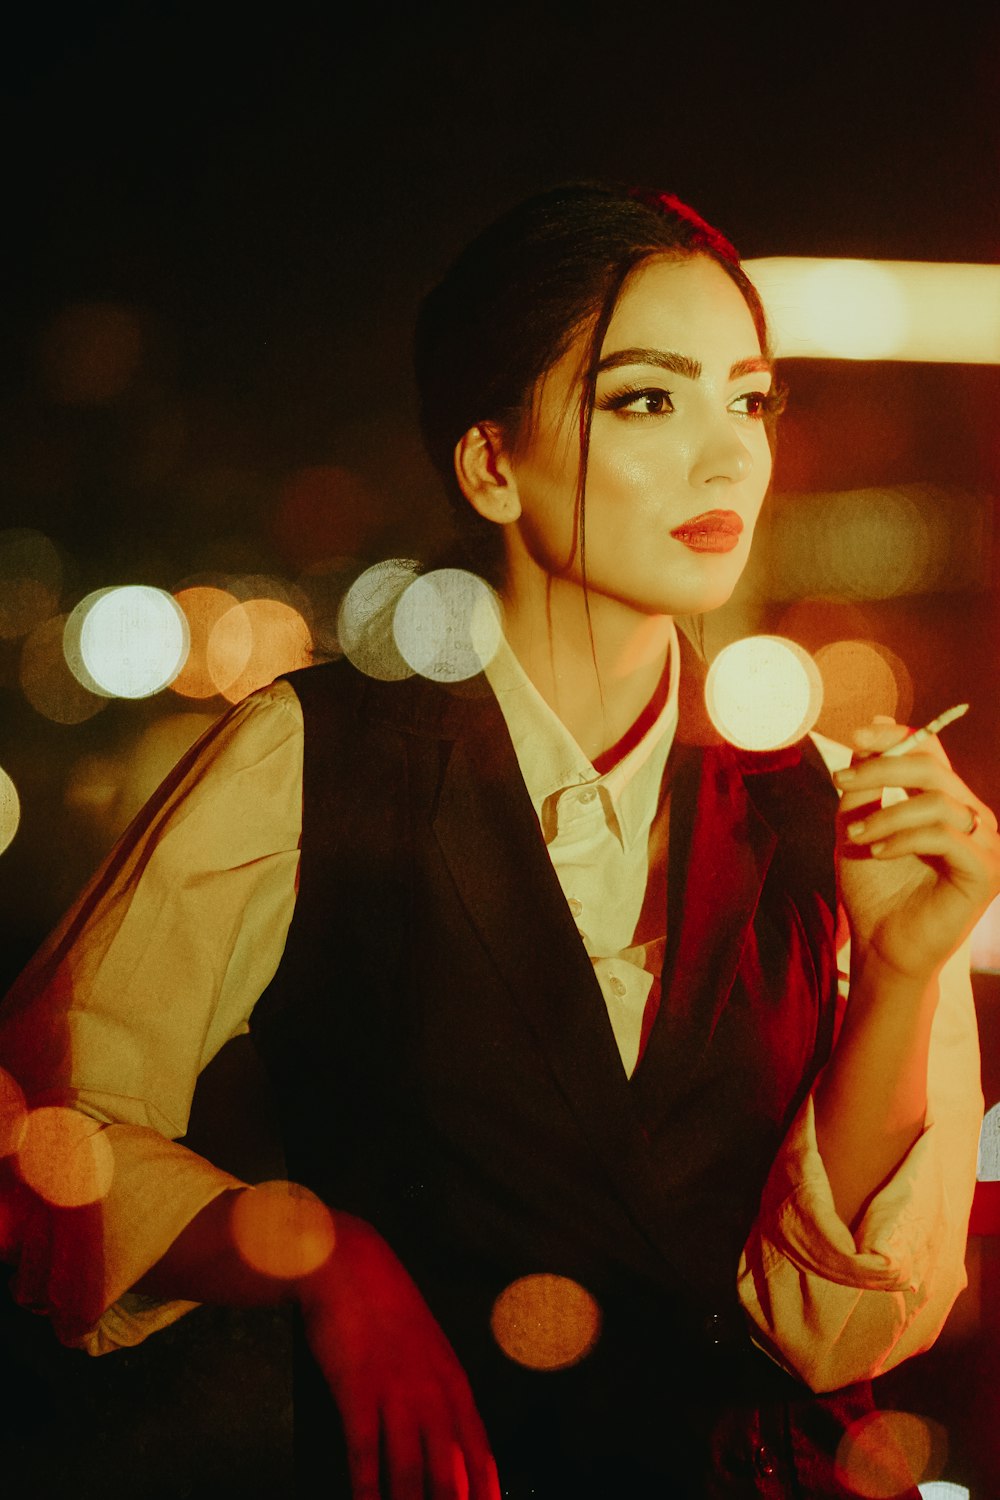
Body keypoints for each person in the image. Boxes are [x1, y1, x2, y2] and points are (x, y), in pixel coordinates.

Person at [1, 182, 997, 1499]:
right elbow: (52, 1130)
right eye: (649, 398)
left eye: (749, 399)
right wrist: (318, 1255)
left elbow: (839, 1329)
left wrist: (909, 968)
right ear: (490, 462)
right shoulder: (321, 760)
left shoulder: (832, 802)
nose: (727, 456)